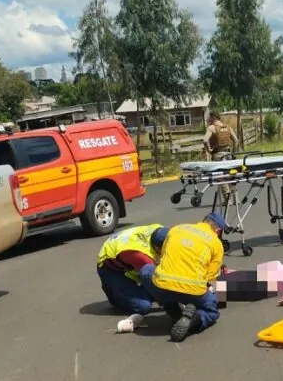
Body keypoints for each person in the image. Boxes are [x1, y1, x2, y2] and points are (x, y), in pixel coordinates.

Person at [139, 212, 227, 342]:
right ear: (218, 231)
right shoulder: (216, 244)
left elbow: (163, 258)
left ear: (203, 221)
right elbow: (211, 279)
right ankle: (195, 320)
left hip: (163, 286)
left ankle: (171, 308)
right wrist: (216, 298)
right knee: (211, 311)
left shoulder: (176, 229)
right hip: (193, 292)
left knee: (146, 270)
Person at [96, 224, 170, 332]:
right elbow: (157, 281)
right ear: (158, 248)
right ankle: (113, 294)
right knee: (143, 306)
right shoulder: (141, 256)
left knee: (151, 290)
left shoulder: (160, 231)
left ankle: (133, 291)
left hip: (126, 258)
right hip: (110, 269)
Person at [203, 111, 239, 204]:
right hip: (228, 154)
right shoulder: (227, 127)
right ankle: (236, 199)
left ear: (214, 117)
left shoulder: (211, 128)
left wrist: (209, 151)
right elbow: (236, 141)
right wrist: (233, 153)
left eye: (209, 118)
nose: (208, 120)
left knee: (221, 177)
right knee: (231, 175)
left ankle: (227, 200)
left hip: (218, 154)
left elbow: (205, 140)